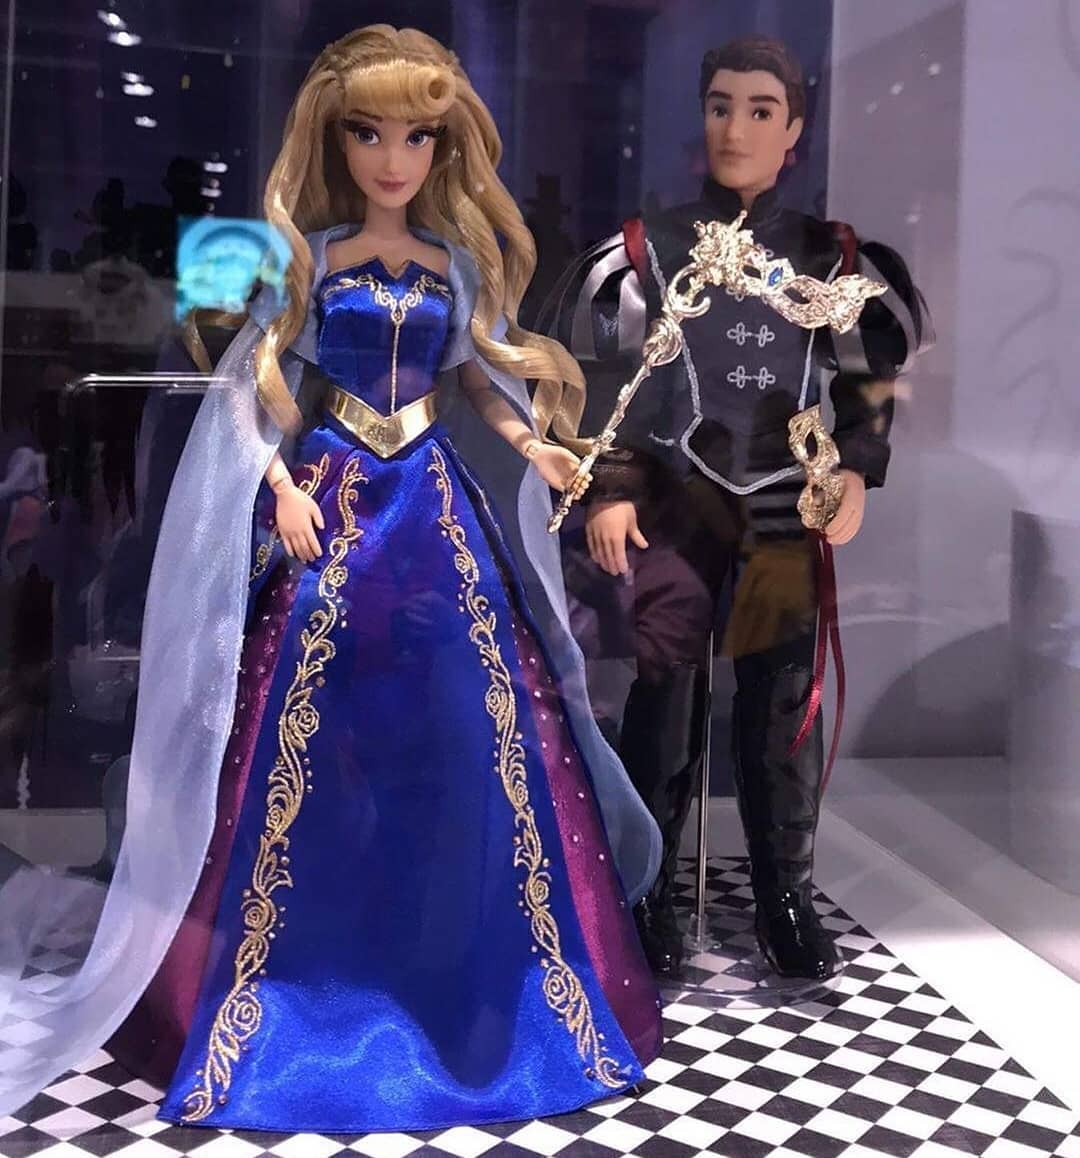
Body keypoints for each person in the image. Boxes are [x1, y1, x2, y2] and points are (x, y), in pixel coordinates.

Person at [0, 25, 663, 1131]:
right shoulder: (313, 261)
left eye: (415, 137)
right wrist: (278, 487)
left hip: (434, 511)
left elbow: (483, 383)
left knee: (472, 720)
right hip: (335, 501)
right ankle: (285, 986)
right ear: (336, 141)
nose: (393, 158)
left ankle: (476, 980)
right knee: (303, 724)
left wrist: (539, 446)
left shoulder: (452, 266)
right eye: (369, 134)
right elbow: (255, 395)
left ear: (441, 148)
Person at [545, 36, 929, 981]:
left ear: (794, 130)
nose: (737, 128)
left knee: (782, 699)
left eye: (761, 110)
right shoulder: (651, 248)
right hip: (676, 503)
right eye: (721, 106)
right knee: (664, 693)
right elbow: (610, 383)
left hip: (783, 509)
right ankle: (648, 891)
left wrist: (855, 471)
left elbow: (868, 384)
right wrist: (612, 486)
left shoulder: (830, 256)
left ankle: (783, 896)